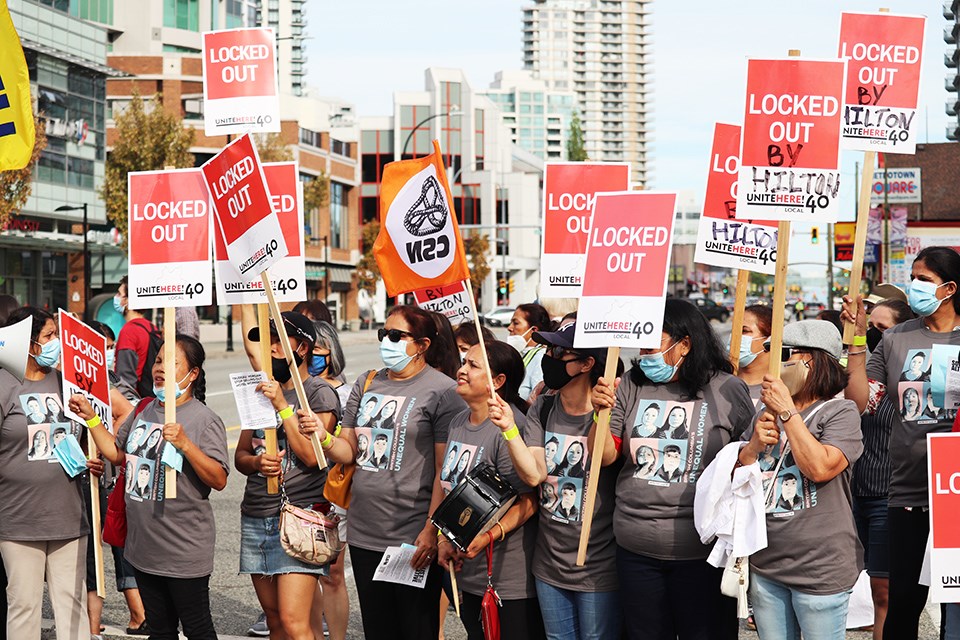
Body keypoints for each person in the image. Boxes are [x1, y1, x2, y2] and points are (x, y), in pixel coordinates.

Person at [299, 305, 466, 640]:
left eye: (395, 335)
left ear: (421, 345)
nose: (385, 341)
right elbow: (349, 451)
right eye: (382, 334)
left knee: (415, 629)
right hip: (365, 530)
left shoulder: (444, 391)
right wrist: (323, 436)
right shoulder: (369, 381)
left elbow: (442, 471)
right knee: (378, 629)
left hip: (411, 534)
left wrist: (431, 529)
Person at [592, 298, 754, 640]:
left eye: (653, 343)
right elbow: (605, 457)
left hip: (704, 554)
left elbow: (747, 461)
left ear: (684, 344)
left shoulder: (727, 389)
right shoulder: (631, 384)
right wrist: (600, 413)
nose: (644, 353)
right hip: (636, 551)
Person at [72, 335, 228, 640]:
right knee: (160, 630)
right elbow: (118, 454)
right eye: (158, 361)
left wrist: (185, 445)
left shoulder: (204, 419)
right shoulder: (144, 408)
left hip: (183, 549)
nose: (160, 368)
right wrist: (92, 419)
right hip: (143, 546)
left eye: (171, 362)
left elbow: (219, 479)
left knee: (197, 628)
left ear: (193, 373)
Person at [842, 246, 960, 640]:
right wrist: (857, 340)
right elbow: (863, 401)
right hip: (907, 489)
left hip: (955, 492)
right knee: (904, 599)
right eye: (913, 276)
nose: (914, 286)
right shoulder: (895, 339)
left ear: (950, 288)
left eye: (923, 279)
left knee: (955, 606)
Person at [737, 320, 863, 638]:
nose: (777, 364)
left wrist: (788, 413)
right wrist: (752, 445)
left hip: (819, 569)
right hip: (767, 563)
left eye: (785, 354)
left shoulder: (840, 412)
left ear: (813, 360)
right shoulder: (763, 412)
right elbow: (740, 475)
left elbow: (820, 468)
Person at [236, 312, 341, 640]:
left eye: (279, 340)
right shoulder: (258, 389)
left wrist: (283, 405)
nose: (272, 348)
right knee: (275, 620)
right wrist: (257, 464)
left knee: (297, 624)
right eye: (267, 340)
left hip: (299, 518)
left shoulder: (318, 393)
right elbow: (240, 456)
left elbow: (313, 457)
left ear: (303, 348)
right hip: (256, 514)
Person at [0, 307, 98, 640]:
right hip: (18, 521)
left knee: (71, 607)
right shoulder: (4, 384)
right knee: (24, 608)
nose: (57, 342)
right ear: (29, 344)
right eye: (50, 336)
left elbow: (90, 434)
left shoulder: (68, 382)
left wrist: (91, 457)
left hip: (68, 518)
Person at [437, 341, 545, 640]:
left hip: (504, 578)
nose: (461, 370)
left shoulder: (510, 428)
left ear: (498, 381)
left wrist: (487, 536)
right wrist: (442, 536)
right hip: (464, 569)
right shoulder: (458, 421)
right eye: (463, 362)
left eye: (473, 365)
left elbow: (528, 501)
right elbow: (447, 484)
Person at [524, 322, 625, 639]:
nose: (548, 358)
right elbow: (534, 472)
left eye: (557, 352)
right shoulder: (542, 407)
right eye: (547, 350)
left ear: (586, 363)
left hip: (598, 566)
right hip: (549, 563)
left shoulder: (614, 411)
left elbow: (604, 457)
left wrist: (600, 414)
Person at [852, 299, 914, 640]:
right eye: (870, 327)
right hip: (852, 493)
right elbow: (855, 402)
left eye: (881, 328)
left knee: (883, 589)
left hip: (888, 496)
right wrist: (857, 342)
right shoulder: (866, 382)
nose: (877, 335)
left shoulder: (911, 384)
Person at [308, 319, 351, 640]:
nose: (312, 356)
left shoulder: (348, 393)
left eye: (318, 349)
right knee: (307, 571)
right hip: (301, 491)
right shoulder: (295, 389)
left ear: (331, 352)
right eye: (307, 349)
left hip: (334, 492)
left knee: (333, 572)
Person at [113, 276, 159, 397]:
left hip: (136, 400)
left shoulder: (129, 332)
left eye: (119, 294)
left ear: (127, 301)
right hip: (151, 397)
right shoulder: (151, 327)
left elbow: (125, 379)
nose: (116, 297)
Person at [507, 304, 554, 401]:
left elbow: (538, 400)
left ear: (533, 330)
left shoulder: (540, 357)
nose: (509, 328)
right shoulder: (523, 354)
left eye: (515, 323)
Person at [733, 304, 773, 402]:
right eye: (734, 330)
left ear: (768, 339)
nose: (735, 337)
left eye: (745, 331)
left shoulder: (780, 389)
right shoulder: (719, 383)